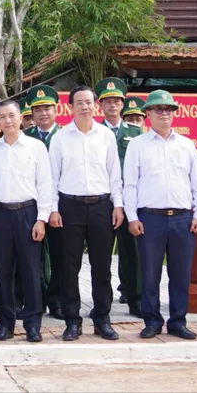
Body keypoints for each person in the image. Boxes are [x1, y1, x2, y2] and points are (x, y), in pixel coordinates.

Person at [124, 90, 197, 340]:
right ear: (147, 114)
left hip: (183, 218)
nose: (164, 113)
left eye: (169, 109)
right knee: (150, 273)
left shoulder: (186, 145)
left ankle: (178, 321)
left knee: (180, 273)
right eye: (158, 109)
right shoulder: (138, 145)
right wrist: (132, 217)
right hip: (150, 218)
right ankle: (151, 320)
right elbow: (130, 184)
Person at [49, 86, 124, 341]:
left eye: (88, 102)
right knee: (69, 267)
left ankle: (102, 319)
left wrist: (118, 205)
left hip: (102, 207)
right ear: (70, 107)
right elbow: (52, 177)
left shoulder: (105, 136)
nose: (84, 107)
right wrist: (53, 209)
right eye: (79, 102)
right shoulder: (60, 138)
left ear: (96, 106)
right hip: (69, 207)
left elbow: (115, 174)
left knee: (102, 267)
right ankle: (72, 321)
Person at [0, 100, 53, 343]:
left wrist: (42, 219)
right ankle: (5, 324)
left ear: (20, 118)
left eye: (11, 115)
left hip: (28, 213)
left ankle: (33, 325)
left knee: (31, 272)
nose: (7, 121)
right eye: (2, 117)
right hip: (2, 214)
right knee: (3, 271)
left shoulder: (36, 147)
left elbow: (45, 185)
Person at [95, 77, 144, 318]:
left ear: (122, 105)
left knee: (132, 252)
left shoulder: (136, 133)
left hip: (129, 200)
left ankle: (136, 299)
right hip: (103, 201)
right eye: (107, 101)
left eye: (116, 101)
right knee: (101, 255)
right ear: (100, 105)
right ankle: (101, 303)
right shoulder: (93, 132)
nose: (112, 105)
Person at [23, 85, 62, 319]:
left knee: (58, 255)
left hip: (58, 207)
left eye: (47, 107)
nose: (43, 113)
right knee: (33, 258)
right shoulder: (25, 138)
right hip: (30, 206)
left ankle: (56, 300)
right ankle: (34, 301)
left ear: (55, 109)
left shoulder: (66, 136)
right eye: (38, 109)